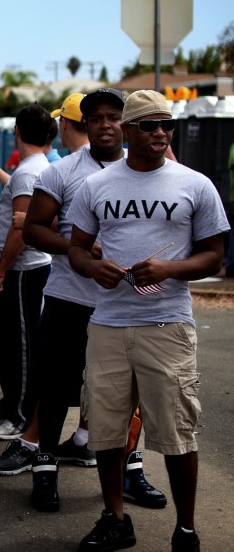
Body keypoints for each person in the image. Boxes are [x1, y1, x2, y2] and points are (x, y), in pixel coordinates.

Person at [67, 89, 229, 552]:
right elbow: (77, 247)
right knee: (107, 432)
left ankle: (186, 529)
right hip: (109, 324)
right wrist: (93, 266)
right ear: (128, 130)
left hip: (168, 324)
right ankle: (115, 519)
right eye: (150, 125)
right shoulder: (97, 187)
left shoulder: (194, 184)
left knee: (178, 433)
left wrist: (169, 269)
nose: (161, 133)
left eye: (167, 125)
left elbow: (215, 256)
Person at [16, 88, 164, 512]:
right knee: (57, 385)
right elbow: (34, 231)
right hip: (71, 298)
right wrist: (76, 250)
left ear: (128, 123)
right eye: (94, 118)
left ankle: (131, 469)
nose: (104, 125)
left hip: (129, 305)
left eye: (113, 117)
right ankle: (45, 466)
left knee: (129, 391)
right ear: (85, 123)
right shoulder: (62, 172)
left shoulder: (157, 169)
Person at [0, 104, 53, 443]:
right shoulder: (34, 169)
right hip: (20, 269)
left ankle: (20, 416)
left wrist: (0, 270)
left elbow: (20, 229)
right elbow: (14, 214)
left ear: (18, 132)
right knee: (7, 344)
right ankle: (10, 406)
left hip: (23, 272)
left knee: (20, 348)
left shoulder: (28, 172)